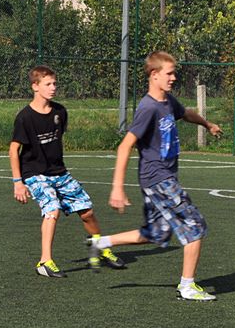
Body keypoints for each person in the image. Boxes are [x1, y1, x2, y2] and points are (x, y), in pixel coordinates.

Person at [88, 51, 223, 301]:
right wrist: (117, 188)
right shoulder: (148, 107)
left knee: (156, 233)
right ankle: (187, 286)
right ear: (154, 74)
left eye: (174, 73)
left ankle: (102, 242)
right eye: (169, 73)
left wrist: (207, 124)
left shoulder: (168, 102)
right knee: (195, 227)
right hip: (158, 179)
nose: (174, 78)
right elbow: (125, 145)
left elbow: (186, 113)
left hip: (160, 179)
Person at [10, 65, 125, 278]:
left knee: (87, 211)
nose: (53, 88)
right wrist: (18, 182)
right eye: (48, 84)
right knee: (52, 209)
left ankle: (99, 246)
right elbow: (14, 149)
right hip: (34, 174)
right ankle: (45, 262)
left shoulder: (60, 112)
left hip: (59, 173)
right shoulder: (24, 117)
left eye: (55, 83)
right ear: (35, 86)